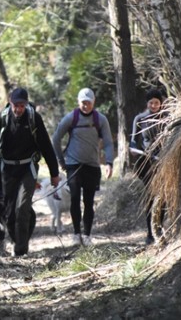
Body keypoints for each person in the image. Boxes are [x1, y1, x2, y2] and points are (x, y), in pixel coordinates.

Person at [0, 88, 60, 257]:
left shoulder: (34, 118)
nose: (18, 109)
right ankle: (18, 239)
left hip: (28, 168)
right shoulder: (2, 118)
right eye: (15, 105)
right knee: (10, 212)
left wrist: (54, 174)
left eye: (22, 105)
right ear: (9, 102)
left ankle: (21, 250)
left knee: (23, 207)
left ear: (26, 104)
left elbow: (46, 147)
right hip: (8, 169)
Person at [52, 87, 114, 246]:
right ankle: (76, 234)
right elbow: (56, 138)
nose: (86, 106)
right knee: (74, 199)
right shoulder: (71, 118)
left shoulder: (100, 119)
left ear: (93, 102)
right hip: (73, 165)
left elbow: (107, 142)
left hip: (92, 166)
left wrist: (109, 162)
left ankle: (86, 235)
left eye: (89, 103)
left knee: (89, 200)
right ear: (78, 102)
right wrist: (61, 160)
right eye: (83, 103)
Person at [130, 88, 167, 245]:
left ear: (161, 103)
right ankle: (150, 233)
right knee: (151, 196)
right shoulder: (140, 119)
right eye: (151, 103)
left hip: (163, 161)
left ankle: (160, 228)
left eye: (156, 103)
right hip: (146, 163)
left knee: (163, 197)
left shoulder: (166, 118)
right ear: (147, 103)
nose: (154, 105)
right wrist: (133, 150)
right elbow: (133, 140)